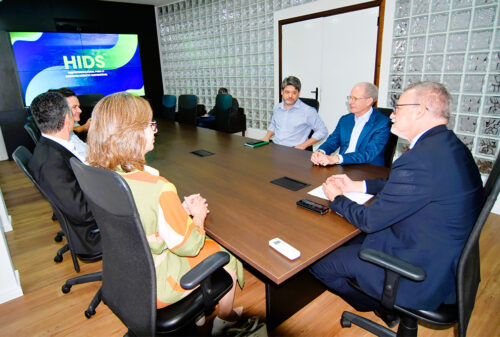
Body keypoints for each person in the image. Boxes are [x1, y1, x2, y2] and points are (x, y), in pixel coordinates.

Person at [310, 82, 484, 326]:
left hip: (419, 272)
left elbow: (370, 221)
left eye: (397, 108)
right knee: (344, 238)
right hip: (444, 255)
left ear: (420, 111)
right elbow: (404, 184)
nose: (391, 115)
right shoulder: (449, 146)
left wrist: (336, 198)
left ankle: (382, 306)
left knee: (319, 263)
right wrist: (359, 186)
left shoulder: (420, 160)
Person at [86, 93, 245, 336]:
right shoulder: (159, 188)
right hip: (156, 283)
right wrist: (197, 216)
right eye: (150, 124)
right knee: (227, 255)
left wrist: (175, 212)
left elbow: (136, 218)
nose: (154, 130)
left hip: (124, 274)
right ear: (133, 133)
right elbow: (190, 247)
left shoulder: (100, 175)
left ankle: (202, 315)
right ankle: (226, 319)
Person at [28, 91, 101, 256]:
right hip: (90, 234)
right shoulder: (50, 164)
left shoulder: (53, 147)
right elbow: (82, 212)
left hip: (90, 208)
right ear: (67, 118)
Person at [310, 82, 391, 166]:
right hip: (343, 165)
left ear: (369, 101)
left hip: (368, 169)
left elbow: (369, 153)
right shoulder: (345, 119)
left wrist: (336, 158)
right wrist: (320, 152)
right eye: (350, 98)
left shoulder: (382, 123)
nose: (350, 102)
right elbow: (332, 141)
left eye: (355, 99)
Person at [262, 76, 328, 149]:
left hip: (294, 150)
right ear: (282, 92)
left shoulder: (308, 111)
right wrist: (267, 137)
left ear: (299, 93)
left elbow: (322, 131)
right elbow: (274, 125)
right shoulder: (277, 108)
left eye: (294, 93)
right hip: (276, 147)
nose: (290, 96)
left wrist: (303, 145)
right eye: (287, 92)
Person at [48, 88, 89, 159]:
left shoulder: (70, 133)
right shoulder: (62, 141)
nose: (80, 111)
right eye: (74, 107)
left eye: (78, 106)